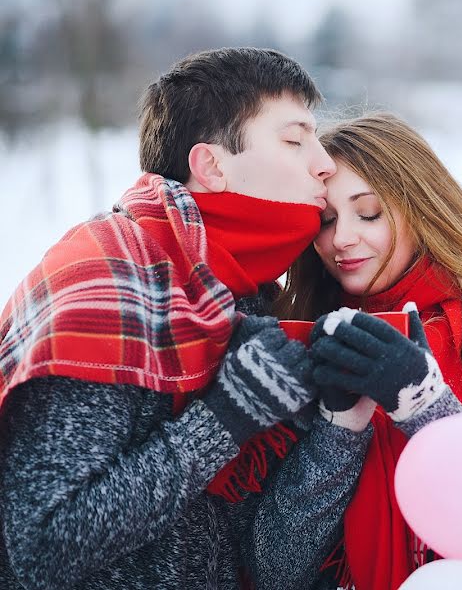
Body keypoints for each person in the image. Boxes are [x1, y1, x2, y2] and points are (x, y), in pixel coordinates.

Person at [0, 47, 336, 589]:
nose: (325, 163)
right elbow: (42, 544)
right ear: (211, 165)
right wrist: (222, 422)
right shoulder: (104, 285)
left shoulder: (235, 296)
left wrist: (342, 423)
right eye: (295, 140)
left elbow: (266, 554)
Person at [258, 112, 462, 590]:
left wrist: (424, 403)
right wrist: (340, 427)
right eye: (326, 221)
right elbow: (275, 569)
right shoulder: (301, 343)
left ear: (422, 208)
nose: (341, 239)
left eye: (369, 213)